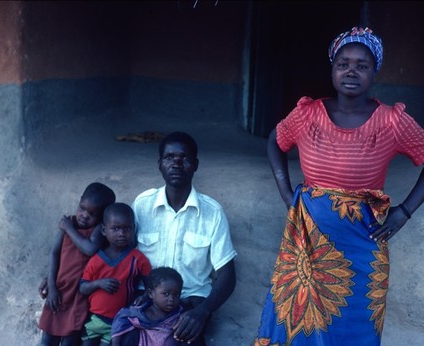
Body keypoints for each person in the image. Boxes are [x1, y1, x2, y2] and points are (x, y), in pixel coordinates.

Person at [255, 26, 424, 346]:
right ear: (332, 69)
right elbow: (275, 142)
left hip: (364, 241)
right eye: (343, 63)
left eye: (362, 65)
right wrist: (285, 191)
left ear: (375, 72)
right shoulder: (307, 114)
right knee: (297, 319)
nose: (351, 71)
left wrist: (405, 211)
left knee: (356, 325)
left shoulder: (392, 121)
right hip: (306, 239)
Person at [132, 131, 237, 345]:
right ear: (159, 163)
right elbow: (121, 252)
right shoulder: (142, 205)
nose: (177, 164)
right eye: (169, 158)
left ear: (196, 165)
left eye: (185, 158)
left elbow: (227, 275)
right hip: (148, 299)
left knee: (179, 340)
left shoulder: (212, 213)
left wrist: (203, 311)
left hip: (191, 303)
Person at [38, 182, 116, 346]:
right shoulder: (68, 223)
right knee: (47, 338)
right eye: (82, 208)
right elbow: (54, 254)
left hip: (79, 294)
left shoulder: (98, 231)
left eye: (92, 214)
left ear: (102, 217)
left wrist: (68, 229)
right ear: (79, 201)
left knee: (70, 338)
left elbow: (89, 249)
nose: (84, 215)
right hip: (59, 289)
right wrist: (51, 285)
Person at [79, 202, 151, 346]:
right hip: (94, 320)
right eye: (116, 228)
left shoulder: (137, 258)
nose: (122, 234)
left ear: (133, 230)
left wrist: (143, 297)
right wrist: (99, 283)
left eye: (127, 229)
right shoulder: (96, 260)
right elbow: (82, 288)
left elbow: (151, 284)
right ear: (104, 231)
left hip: (118, 322)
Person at [111, 266, 189, 346]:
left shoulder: (181, 317)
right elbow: (120, 326)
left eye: (176, 294)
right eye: (166, 294)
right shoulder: (136, 315)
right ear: (151, 293)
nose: (171, 299)